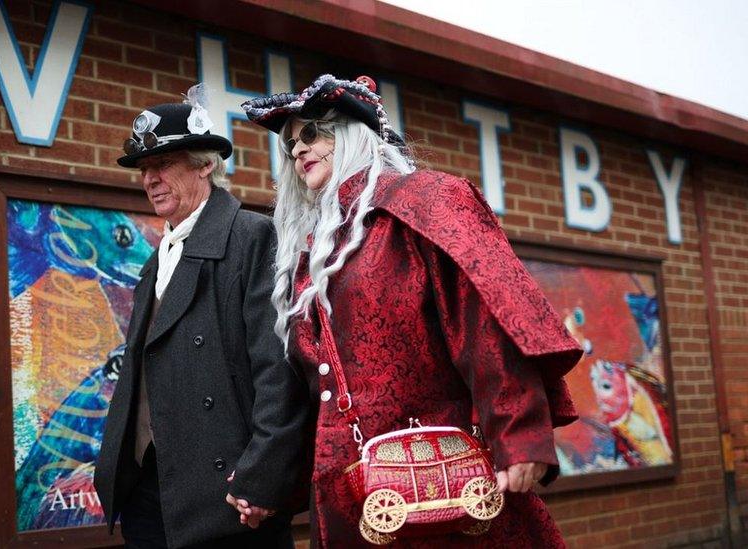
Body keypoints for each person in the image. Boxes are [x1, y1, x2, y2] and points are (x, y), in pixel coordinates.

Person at [239, 74, 583, 547]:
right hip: (349, 501)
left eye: (313, 132)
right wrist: (269, 480)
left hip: (447, 493)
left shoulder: (424, 200)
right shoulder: (309, 251)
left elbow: (482, 319)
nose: (298, 149)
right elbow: (307, 385)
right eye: (290, 143)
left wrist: (519, 433)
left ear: (354, 133)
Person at [94, 85, 309, 549]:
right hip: (151, 492)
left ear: (206, 164)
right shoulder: (157, 259)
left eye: (163, 164)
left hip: (229, 501)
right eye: (144, 169)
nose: (150, 179)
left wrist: (261, 478)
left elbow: (280, 370)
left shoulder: (253, 237)